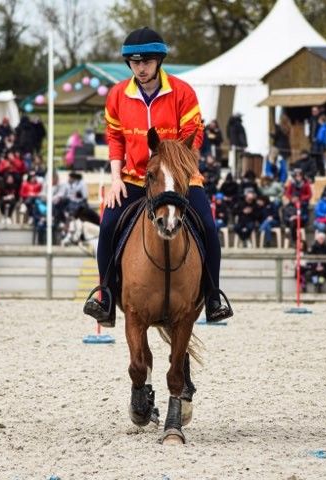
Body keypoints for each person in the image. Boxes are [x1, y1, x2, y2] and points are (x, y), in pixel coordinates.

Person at [83, 27, 232, 325]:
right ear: (129, 64)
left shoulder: (182, 92)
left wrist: (174, 165)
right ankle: (106, 297)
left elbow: (194, 134)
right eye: (135, 62)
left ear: (159, 60)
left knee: (207, 226)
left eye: (147, 61)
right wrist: (115, 180)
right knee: (109, 225)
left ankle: (213, 295)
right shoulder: (117, 95)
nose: (141, 67)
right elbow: (115, 138)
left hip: (179, 177)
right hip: (135, 178)